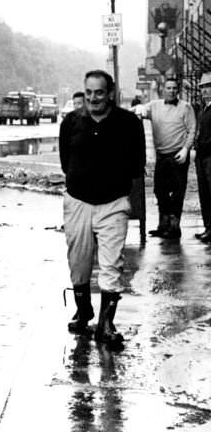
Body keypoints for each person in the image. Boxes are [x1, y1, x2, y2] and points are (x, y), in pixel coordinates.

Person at [59, 69, 145, 348]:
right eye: (88, 93)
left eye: (99, 92)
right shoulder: (71, 122)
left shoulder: (129, 123)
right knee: (79, 263)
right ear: (83, 94)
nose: (93, 98)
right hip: (78, 202)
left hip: (113, 204)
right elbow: (65, 161)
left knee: (111, 264)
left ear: (110, 94)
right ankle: (84, 311)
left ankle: (106, 325)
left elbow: (137, 164)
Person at [140, 77, 195, 239]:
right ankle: (163, 223)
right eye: (168, 88)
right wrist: (139, 109)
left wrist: (186, 149)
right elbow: (139, 110)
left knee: (178, 191)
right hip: (162, 156)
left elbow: (192, 129)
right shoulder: (154, 106)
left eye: (174, 88)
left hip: (178, 155)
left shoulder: (186, 108)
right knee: (159, 189)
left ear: (178, 91)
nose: (171, 91)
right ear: (163, 89)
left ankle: (174, 225)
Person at [194, 73, 211, 242]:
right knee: (204, 193)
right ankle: (208, 227)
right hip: (201, 157)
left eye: (208, 87)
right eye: (202, 88)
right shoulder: (203, 109)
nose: (204, 91)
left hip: (209, 156)